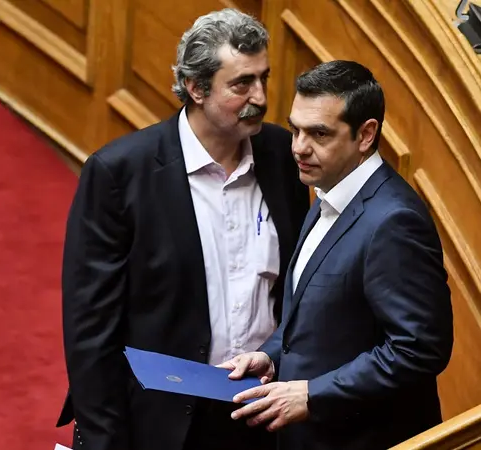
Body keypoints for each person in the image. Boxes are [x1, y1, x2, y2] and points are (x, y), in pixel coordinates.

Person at [56, 8, 310, 450]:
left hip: (259, 410)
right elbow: (90, 328)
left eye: (263, 78)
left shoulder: (281, 155)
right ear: (195, 87)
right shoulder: (120, 174)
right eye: (241, 84)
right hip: (160, 422)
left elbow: (292, 286)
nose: (260, 97)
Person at [220, 60, 454, 450]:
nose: (299, 147)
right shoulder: (328, 193)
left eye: (319, 134)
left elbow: (418, 349)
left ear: (366, 135)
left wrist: (313, 395)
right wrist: (272, 357)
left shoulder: (394, 221)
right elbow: (314, 319)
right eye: (295, 129)